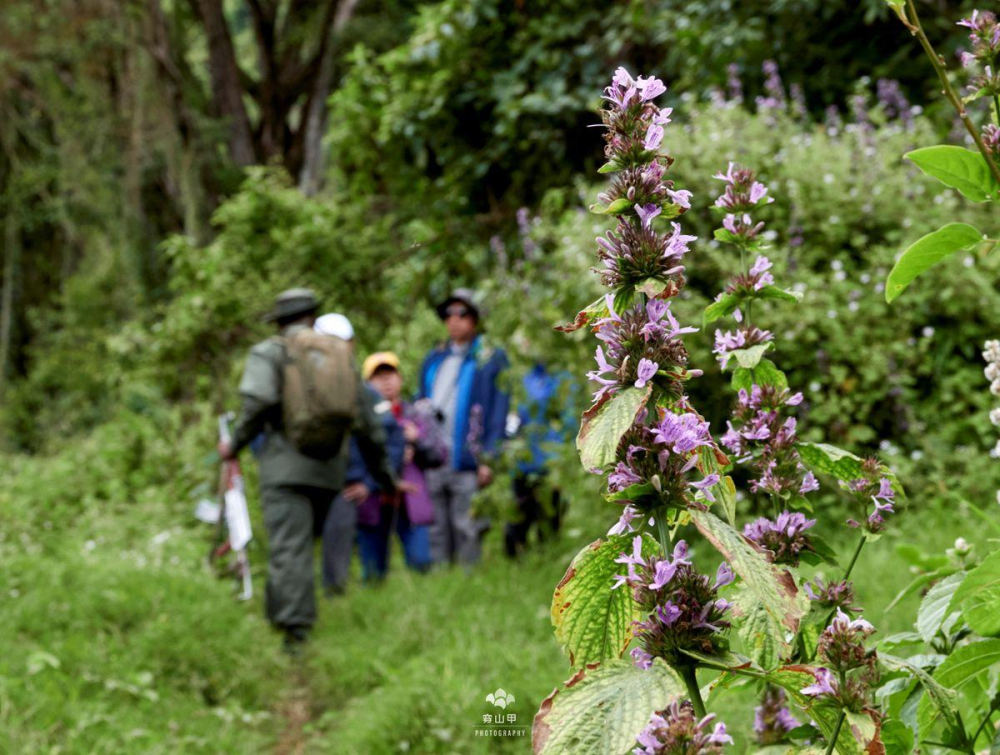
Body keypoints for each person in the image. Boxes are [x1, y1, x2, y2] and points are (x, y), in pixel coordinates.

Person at [219, 288, 397, 652]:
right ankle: (283, 615)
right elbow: (369, 425)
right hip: (329, 473)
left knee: (290, 547)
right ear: (312, 317)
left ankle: (294, 635)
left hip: (285, 472)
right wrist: (385, 479)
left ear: (280, 321)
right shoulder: (339, 356)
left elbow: (257, 403)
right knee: (302, 546)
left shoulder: (271, 352)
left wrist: (233, 444)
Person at [419, 289, 509, 566]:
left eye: (463, 313)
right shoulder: (433, 359)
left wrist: (488, 458)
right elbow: (420, 402)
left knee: (468, 524)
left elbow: (498, 411)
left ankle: (468, 580)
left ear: (476, 319)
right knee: (436, 526)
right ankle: (441, 582)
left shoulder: (491, 358)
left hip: (469, 458)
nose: (454, 320)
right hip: (434, 456)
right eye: (449, 314)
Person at [350, 352, 442, 581]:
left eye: (390, 374)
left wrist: (416, 441)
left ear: (400, 378)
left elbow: (439, 455)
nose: (386, 381)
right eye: (378, 376)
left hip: (411, 499)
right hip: (374, 499)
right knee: (372, 572)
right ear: (367, 384)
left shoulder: (417, 414)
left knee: (421, 563)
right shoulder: (359, 418)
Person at [504, 363, 574, 557]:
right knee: (519, 516)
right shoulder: (522, 379)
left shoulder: (563, 379)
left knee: (550, 517)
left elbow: (570, 421)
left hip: (551, 461)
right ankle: (517, 561)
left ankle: (548, 559)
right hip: (523, 462)